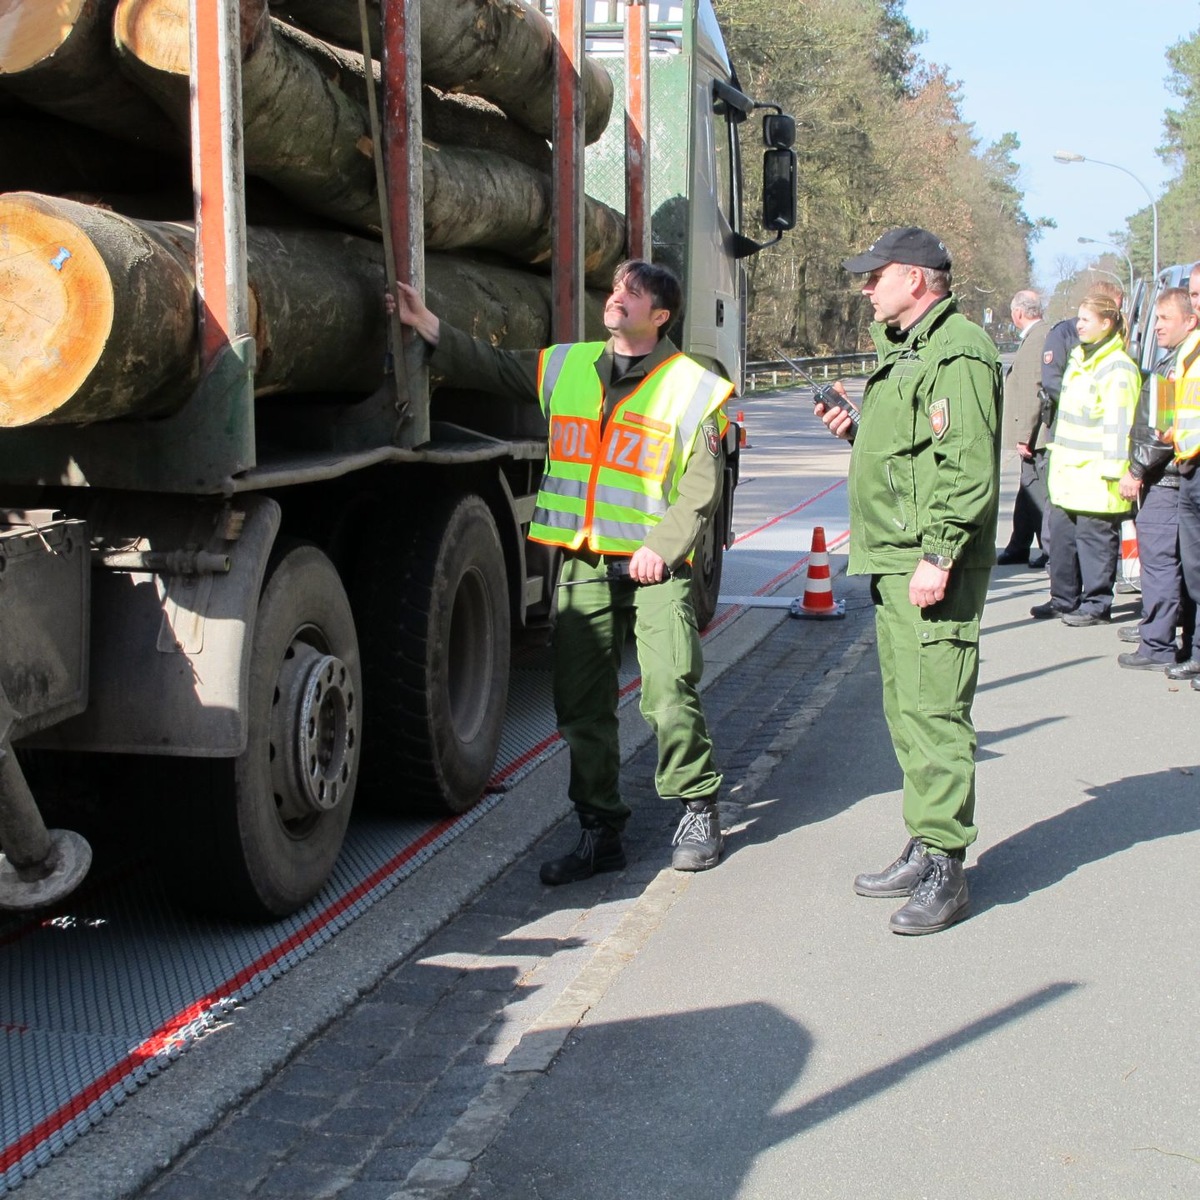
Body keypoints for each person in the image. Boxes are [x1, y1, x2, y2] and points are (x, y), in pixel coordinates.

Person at [391, 260, 733, 881]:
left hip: (659, 565)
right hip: (583, 563)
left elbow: (702, 490)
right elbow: (496, 367)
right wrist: (428, 324)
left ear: (660, 315)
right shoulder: (568, 366)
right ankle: (600, 830)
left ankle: (697, 806)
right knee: (580, 706)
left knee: (666, 692)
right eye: (613, 289)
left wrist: (663, 546)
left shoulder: (695, 386)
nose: (615, 298)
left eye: (632, 293)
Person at [815, 227, 1002, 936]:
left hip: (926, 560)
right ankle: (926, 840)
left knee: (936, 714)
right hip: (896, 556)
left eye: (876, 276)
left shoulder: (958, 351)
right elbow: (913, 453)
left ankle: (946, 867)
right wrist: (854, 430)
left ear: (917, 280)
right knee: (907, 711)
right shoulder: (911, 349)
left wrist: (941, 553)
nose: (866, 288)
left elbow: (967, 468)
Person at [1032, 292, 1140, 625]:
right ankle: (1064, 598)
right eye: (1078, 319)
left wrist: (1116, 472)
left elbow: (1119, 426)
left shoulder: (1118, 368)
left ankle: (1096, 604)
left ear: (1106, 324)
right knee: (1063, 542)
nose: (1078, 325)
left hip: (1096, 478)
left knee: (1095, 545)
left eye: (1085, 320)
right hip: (1068, 475)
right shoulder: (1079, 358)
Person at [1115, 287, 1198, 669]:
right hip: (1170, 477)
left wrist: (1136, 469)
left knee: (1160, 565)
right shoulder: (1174, 361)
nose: (1158, 327)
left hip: (1164, 480)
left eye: (1165, 319)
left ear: (1189, 321)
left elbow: (1161, 431)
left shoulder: (1175, 366)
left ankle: (1157, 645)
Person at [997, 289, 1052, 567]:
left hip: (1035, 435)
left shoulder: (1036, 340)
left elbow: (1033, 390)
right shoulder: (1038, 336)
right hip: (1034, 434)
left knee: (1037, 491)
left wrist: (1023, 436)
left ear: (1018, 313)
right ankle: (1019, 545)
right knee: (1028, 488)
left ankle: (1050, 548)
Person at [1166, 262, 1200, 689]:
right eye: (1193, 293)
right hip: (1189, 465)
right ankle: (1194, 651)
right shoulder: (1190, 346)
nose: (1197, 301)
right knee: (1194, 569)